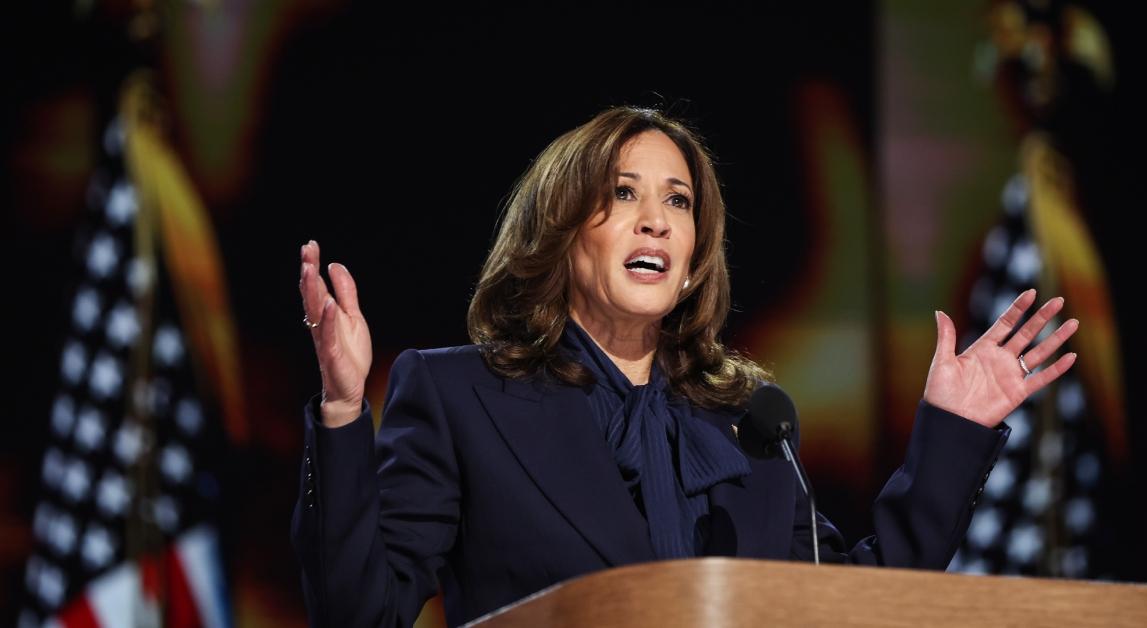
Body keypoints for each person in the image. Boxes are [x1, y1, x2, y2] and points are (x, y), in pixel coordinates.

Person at [290, 107, 1079, 627]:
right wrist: (341, 408)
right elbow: (363, 612)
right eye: (622, 193)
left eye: (678, 201)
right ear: (562, 233)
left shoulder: (748, 421)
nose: (654, 220)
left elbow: (845, 604)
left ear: (697, 255)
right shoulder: (465, 395)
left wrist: (952, 432)